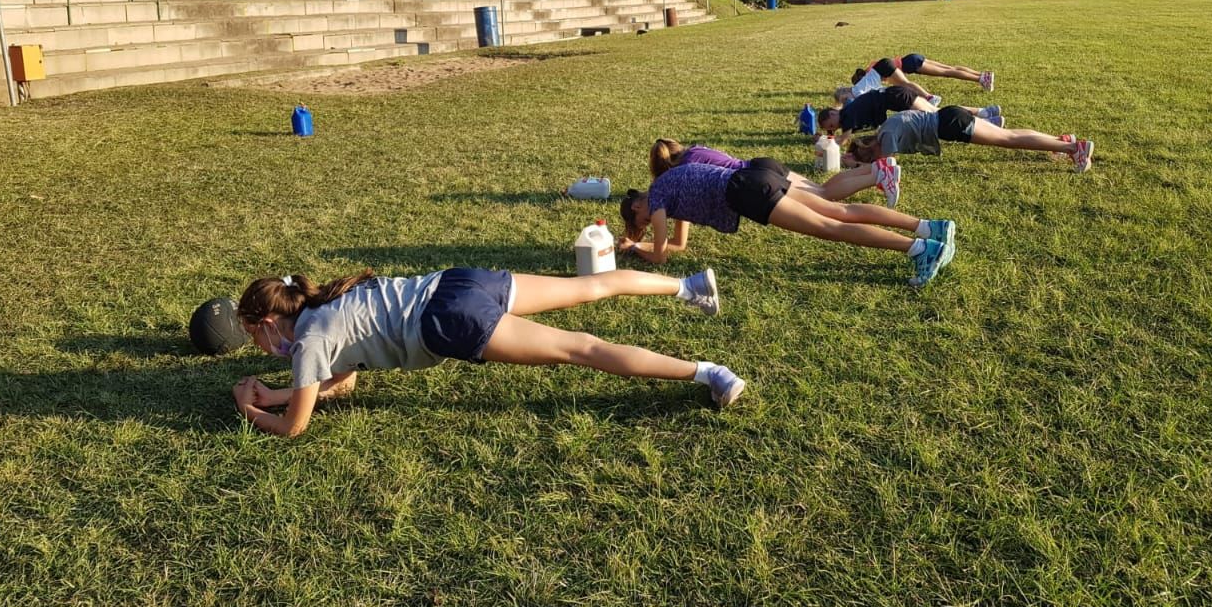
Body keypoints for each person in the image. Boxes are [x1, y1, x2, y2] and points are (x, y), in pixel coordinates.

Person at [229, 267, 747, 437]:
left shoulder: (310, 342)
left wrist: (252, 408)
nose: (259, 346)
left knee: (581, 349)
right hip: (459, 283)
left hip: (448, 321)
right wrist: (277, 391)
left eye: (255, 336)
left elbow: (295, 428)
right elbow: (342, 383)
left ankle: (709, 374)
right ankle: (688, 285)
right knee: (590, 284)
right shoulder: (330, 304)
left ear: (269, 322)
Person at [618, 159, 956, 287]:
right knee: (838, 212)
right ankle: (929, 228)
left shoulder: (658, 196)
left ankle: (921, 249)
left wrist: (636, 248)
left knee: (830, 228)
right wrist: (642, 244)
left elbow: (662, 256)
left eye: (641, 221)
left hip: (747, 191)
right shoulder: (672, 187)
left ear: (636, 206)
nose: (648, 224)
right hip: (756, 173)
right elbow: (678, 246)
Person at [649, 137, 902, 207]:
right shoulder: (695, 150)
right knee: (819, 188)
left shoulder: (684, 169)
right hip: (761, 163)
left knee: (824, 197)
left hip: (756, 177)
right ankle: (878, 167)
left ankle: (876, 177)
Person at [844, 106, 1094, 172]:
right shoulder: (887, 128)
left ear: (869, 143)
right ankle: (1060, 141)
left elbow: (886, 165)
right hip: (950, 116)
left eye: (868, 155)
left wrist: (857, 165)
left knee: (1008, 140)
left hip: (952, 125)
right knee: (1011, 134)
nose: (872, 158)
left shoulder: (885, 136)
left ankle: (1073, 147)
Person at [817, 87, 1002, 138]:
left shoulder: (847, 116)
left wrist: (829, 142)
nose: (836, 128)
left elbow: (845, 136)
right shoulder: (848, 108)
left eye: (832, 126)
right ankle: (985, 113)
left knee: (938, 116)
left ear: (834, 114)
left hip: (899, 97)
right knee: (940, 112)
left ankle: (988, 123)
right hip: (898, 94)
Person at [838, 52, 995, 105]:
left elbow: (890, 78)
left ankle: (980, 79)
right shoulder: (871, 67)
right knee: (949, 68)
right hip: (912, 58)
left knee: (947, 72)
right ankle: (981, 75)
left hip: (912, 64)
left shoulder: (871, 74)